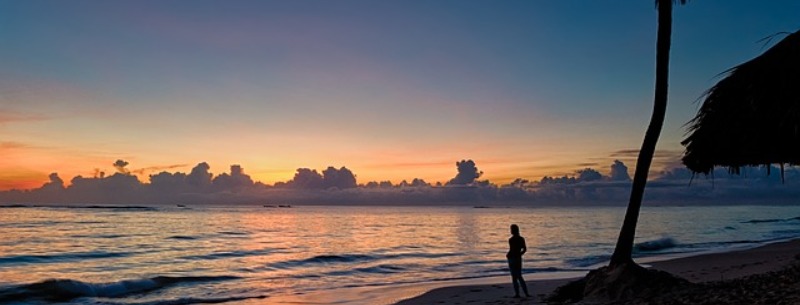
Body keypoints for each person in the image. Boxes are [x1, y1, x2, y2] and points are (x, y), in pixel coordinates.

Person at [507, 224, 531, 298]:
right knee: (518, 276)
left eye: (511, 229)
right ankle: (524, 293)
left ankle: (520, 293)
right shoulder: (520, 239)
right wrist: (520, 254)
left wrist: (518, 254)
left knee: (516, 277)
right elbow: (524, 249)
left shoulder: (512, 239)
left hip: (513, 258)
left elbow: (513, 250)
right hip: (516, 258)